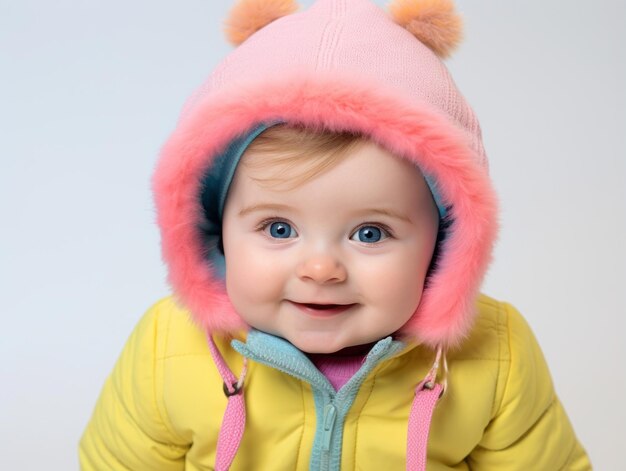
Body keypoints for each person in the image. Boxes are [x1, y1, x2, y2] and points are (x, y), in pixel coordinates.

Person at [79, 0, 591, 469]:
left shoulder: (495, 352)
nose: (320, 269)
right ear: (213, 232)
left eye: (370, 233)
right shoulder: (168, 344)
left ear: (446, 245)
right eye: (278, 228)